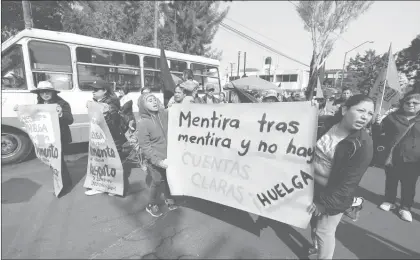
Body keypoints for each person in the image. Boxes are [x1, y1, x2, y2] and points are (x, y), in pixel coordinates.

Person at [308, 94, 375, 259]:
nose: (365, 117)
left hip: (334, 193)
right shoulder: (323, 123)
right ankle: (316, 246)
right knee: (313, 223)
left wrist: (324, 204)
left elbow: (348, 183)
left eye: (369, 113)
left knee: (324, 230)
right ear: (345, 109)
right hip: (308, 185)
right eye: (361, 110)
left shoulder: (363, 144)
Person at [373, 90, 420, 222]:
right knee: (391, 180)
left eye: (415, 102)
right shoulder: (392, 117)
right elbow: (379, 133)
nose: (411, 104)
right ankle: (389, 201)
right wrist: (376, 123)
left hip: (414, 160)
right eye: (408, 102)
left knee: (409, 185)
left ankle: (405, 208)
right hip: (393, 156)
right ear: (403, 104)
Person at [20, 81, 74, 197]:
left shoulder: (62, 103)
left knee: (57, 162)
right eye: (41, 92)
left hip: (59, 138)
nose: (45, 94)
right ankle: (67, 182)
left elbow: (70, 120)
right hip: (46, 139)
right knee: (54, 162)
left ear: (53, 92)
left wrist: (60, 114)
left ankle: (62, 187)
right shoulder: (39, 103)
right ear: (38, 94)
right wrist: (20, 111)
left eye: (47, 91)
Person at [85, 80, 129, 197]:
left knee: (113, 165)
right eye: (92, 89)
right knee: (102, 164)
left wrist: (107, 114)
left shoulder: (111, 105)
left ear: (104, 91)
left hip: (112, 139)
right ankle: (103, 186)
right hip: (100, 139)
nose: (93, 92)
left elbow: (113, 124)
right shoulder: (97, 102)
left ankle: (116, 188)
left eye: (96, 89)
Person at [137, 93, 177, 217]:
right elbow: (145, 146)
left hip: (168, 157)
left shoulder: (163, 115)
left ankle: (169, 199)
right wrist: (157, 161)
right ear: (143, 105)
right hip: (155, 159)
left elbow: (176, 109)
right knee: (157, 181)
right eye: (150, 101)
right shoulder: (143, 123)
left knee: (168, 179)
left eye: (155, 100)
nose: (154, 102)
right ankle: (151, 204)